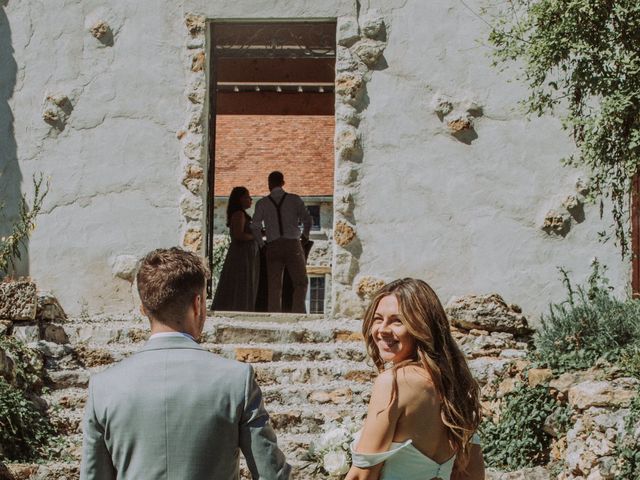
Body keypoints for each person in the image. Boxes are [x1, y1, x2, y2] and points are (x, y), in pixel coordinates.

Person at [80, 247, 291, 480]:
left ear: (143, 308)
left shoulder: (104, 387)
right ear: (198, 303)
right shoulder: (235, 379)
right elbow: (271, 475)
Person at [346, 278, 484, 480]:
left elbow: (362, 475)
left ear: (422, 327)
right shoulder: (454, 388)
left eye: (397, 321)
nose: (382, 329)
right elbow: (472, 475)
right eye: (377, 319)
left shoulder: (394, 382)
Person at [251, 171, 312, 313]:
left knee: (274, 286)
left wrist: (261, 244)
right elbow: (307, 220)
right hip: (293, 245)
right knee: (300, 282)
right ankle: (298, 312)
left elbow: (255, 226)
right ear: (283, 183)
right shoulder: (294, 199)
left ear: (269, 184)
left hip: (273, 245)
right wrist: (305, 236)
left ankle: (274, 315)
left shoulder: (262, 203)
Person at [212, 186, 260, 311]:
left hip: (245, 253)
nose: (250, 199)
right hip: (242, 254)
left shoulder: (242, 214)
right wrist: (255, 236)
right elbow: (239, 235)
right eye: (247, 197)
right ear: (239, 199)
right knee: (241, 281)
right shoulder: (239, 214)